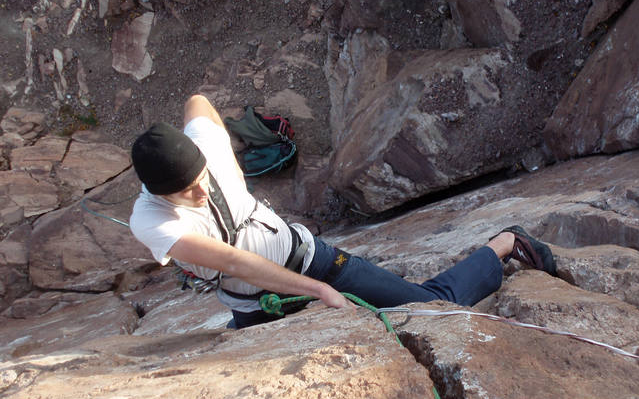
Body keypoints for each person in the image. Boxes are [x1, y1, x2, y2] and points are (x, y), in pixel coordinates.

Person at [129, 95, 556, 329]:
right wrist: (315, 294)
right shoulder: (152, 220)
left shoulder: (203, 144)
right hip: (257, 304)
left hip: (315, 261)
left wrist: (320, 288)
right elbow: (236, 262)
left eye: (203, 176)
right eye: (188, 191)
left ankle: (506, 243)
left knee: (428, 307)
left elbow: (196, 102)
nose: (203, 190)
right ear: (158, 192)